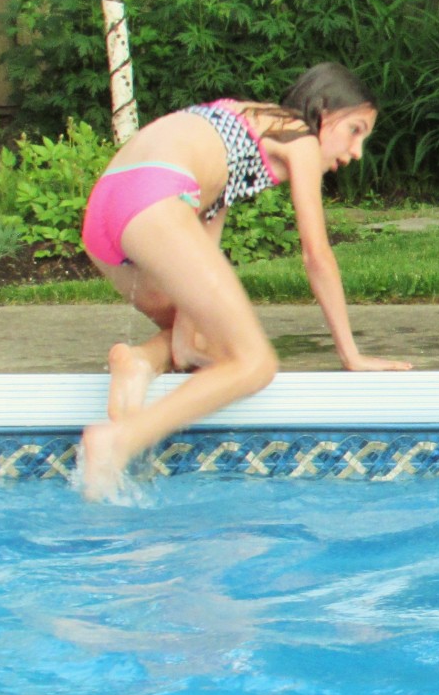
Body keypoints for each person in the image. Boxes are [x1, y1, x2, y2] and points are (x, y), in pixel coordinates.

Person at [77, 62, 412, 498]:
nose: (356, 151)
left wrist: (189, 344)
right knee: (255, 364)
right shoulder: (301, 137)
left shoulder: (239, 127)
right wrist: (351, 355)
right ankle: (119, 441)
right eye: (355, 130)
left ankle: (139, 361)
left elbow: (203, 248)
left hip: (107, 208)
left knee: (211, 340)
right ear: (324, 112)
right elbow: (316, 255)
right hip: (154, 196)